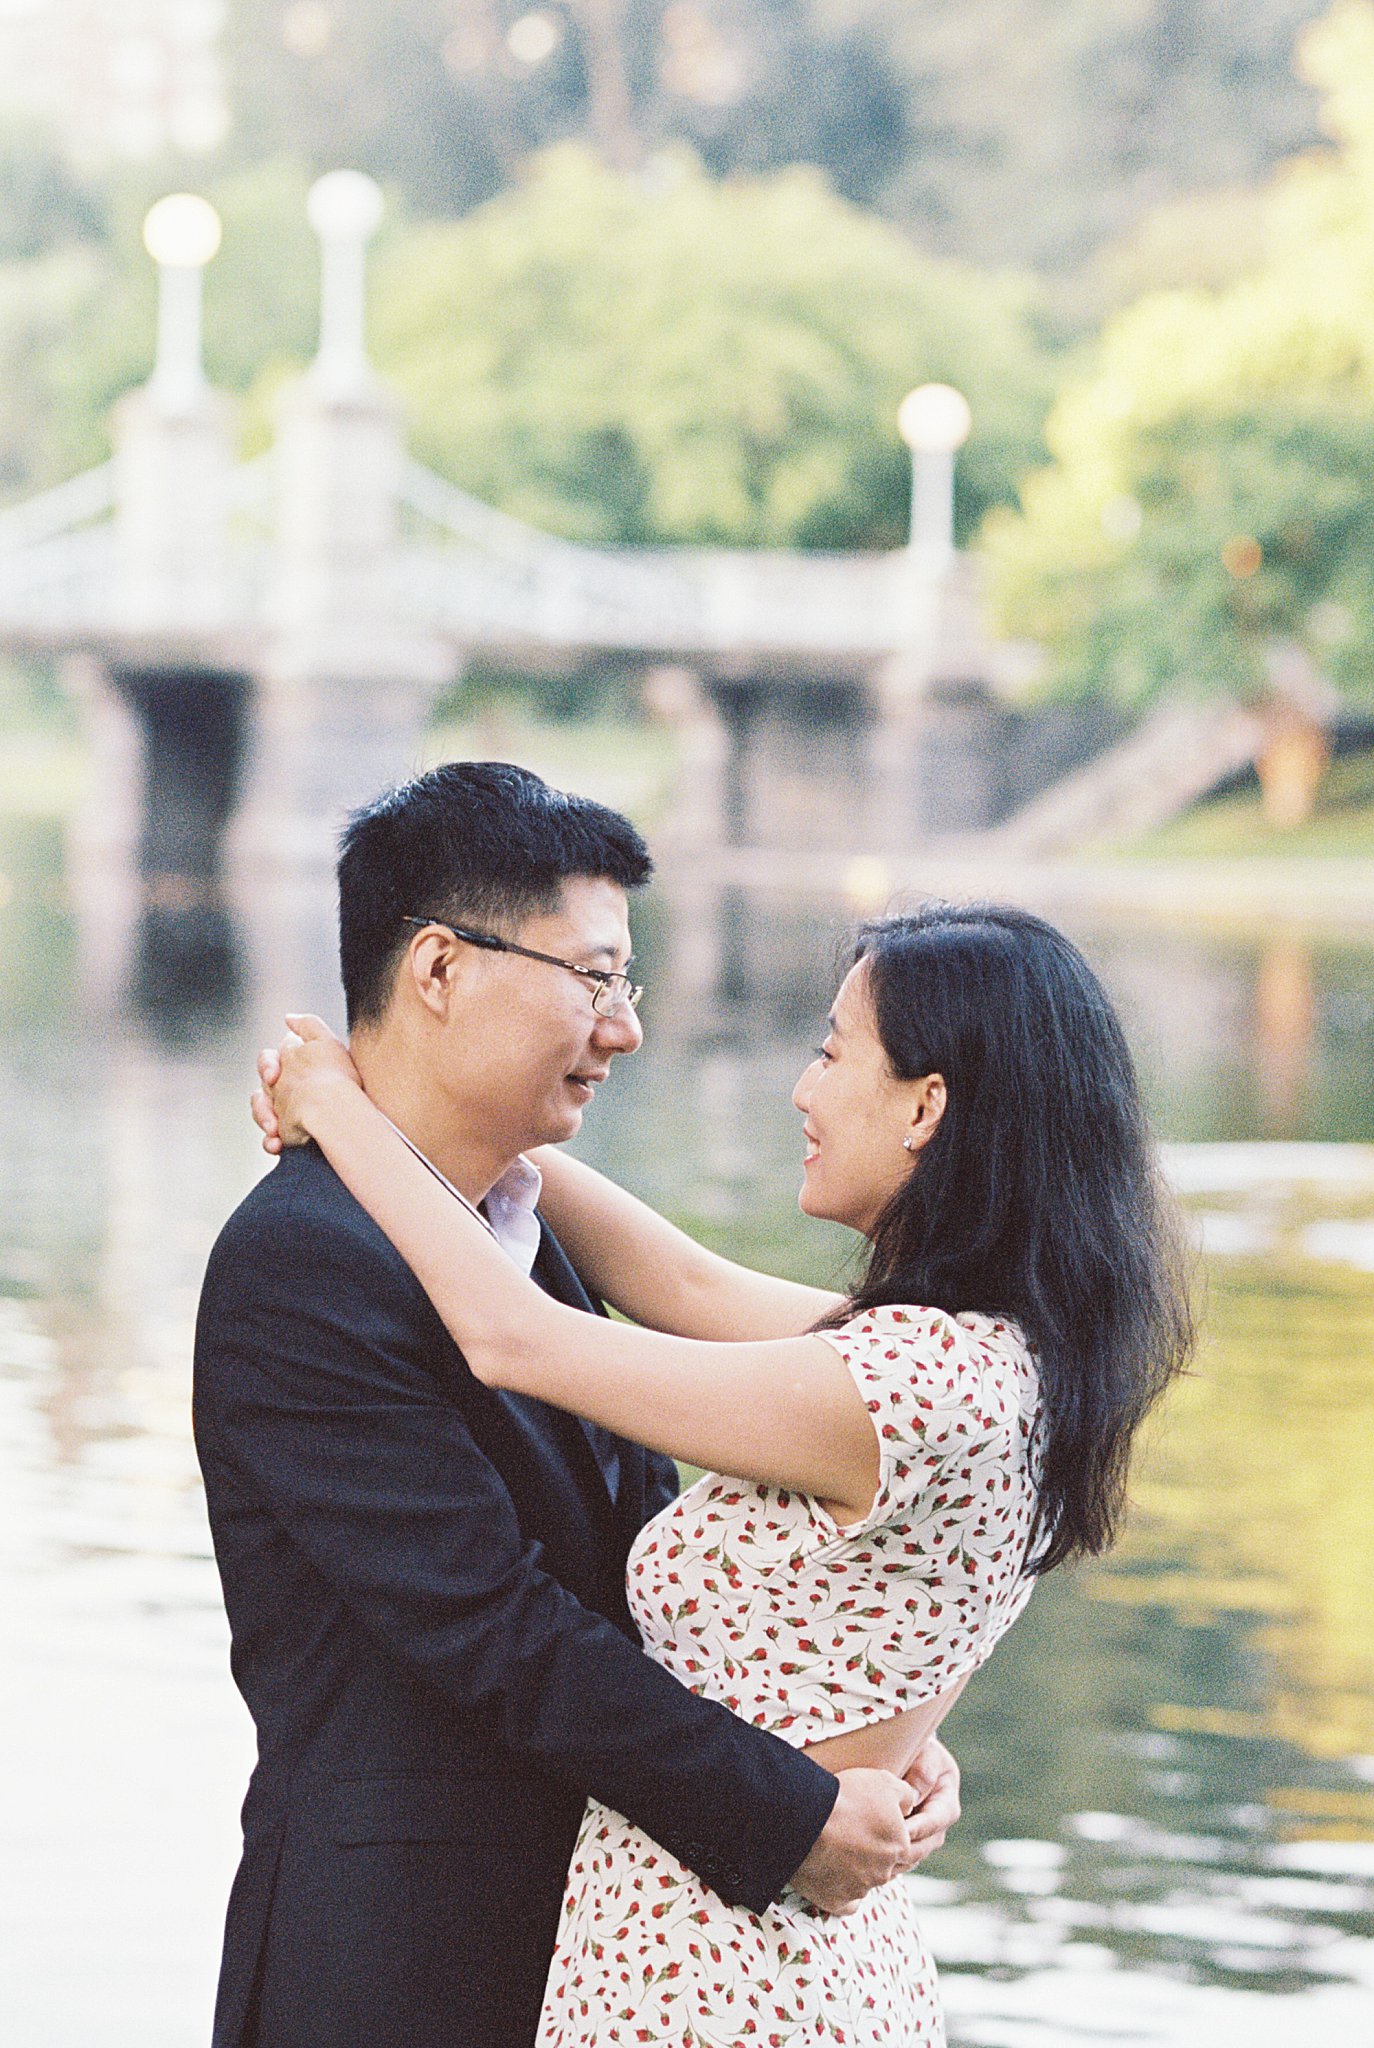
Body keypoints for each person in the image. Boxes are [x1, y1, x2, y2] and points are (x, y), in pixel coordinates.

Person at [254, 894, 1195, 2046]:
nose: (804, 1089)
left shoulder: (903, 1383)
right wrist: (432, 1104)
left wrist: (339, 1109)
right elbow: (687, 1287)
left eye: (832, 1050)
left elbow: (516, 1337)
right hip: (802, 1954)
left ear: (926, 1106)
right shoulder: (1000, 1356)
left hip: (710, 1973)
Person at [196, 760, 957, 2048]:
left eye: (628, 982)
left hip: (595, 1944)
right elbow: (496, 1625)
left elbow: (640, 1579)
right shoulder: (304, 1260)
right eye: (594, 977)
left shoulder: (524, 1232)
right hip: (398, 1965)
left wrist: (867, 1739)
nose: (626, 1027)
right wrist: (786, 1814)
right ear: (438, 968)